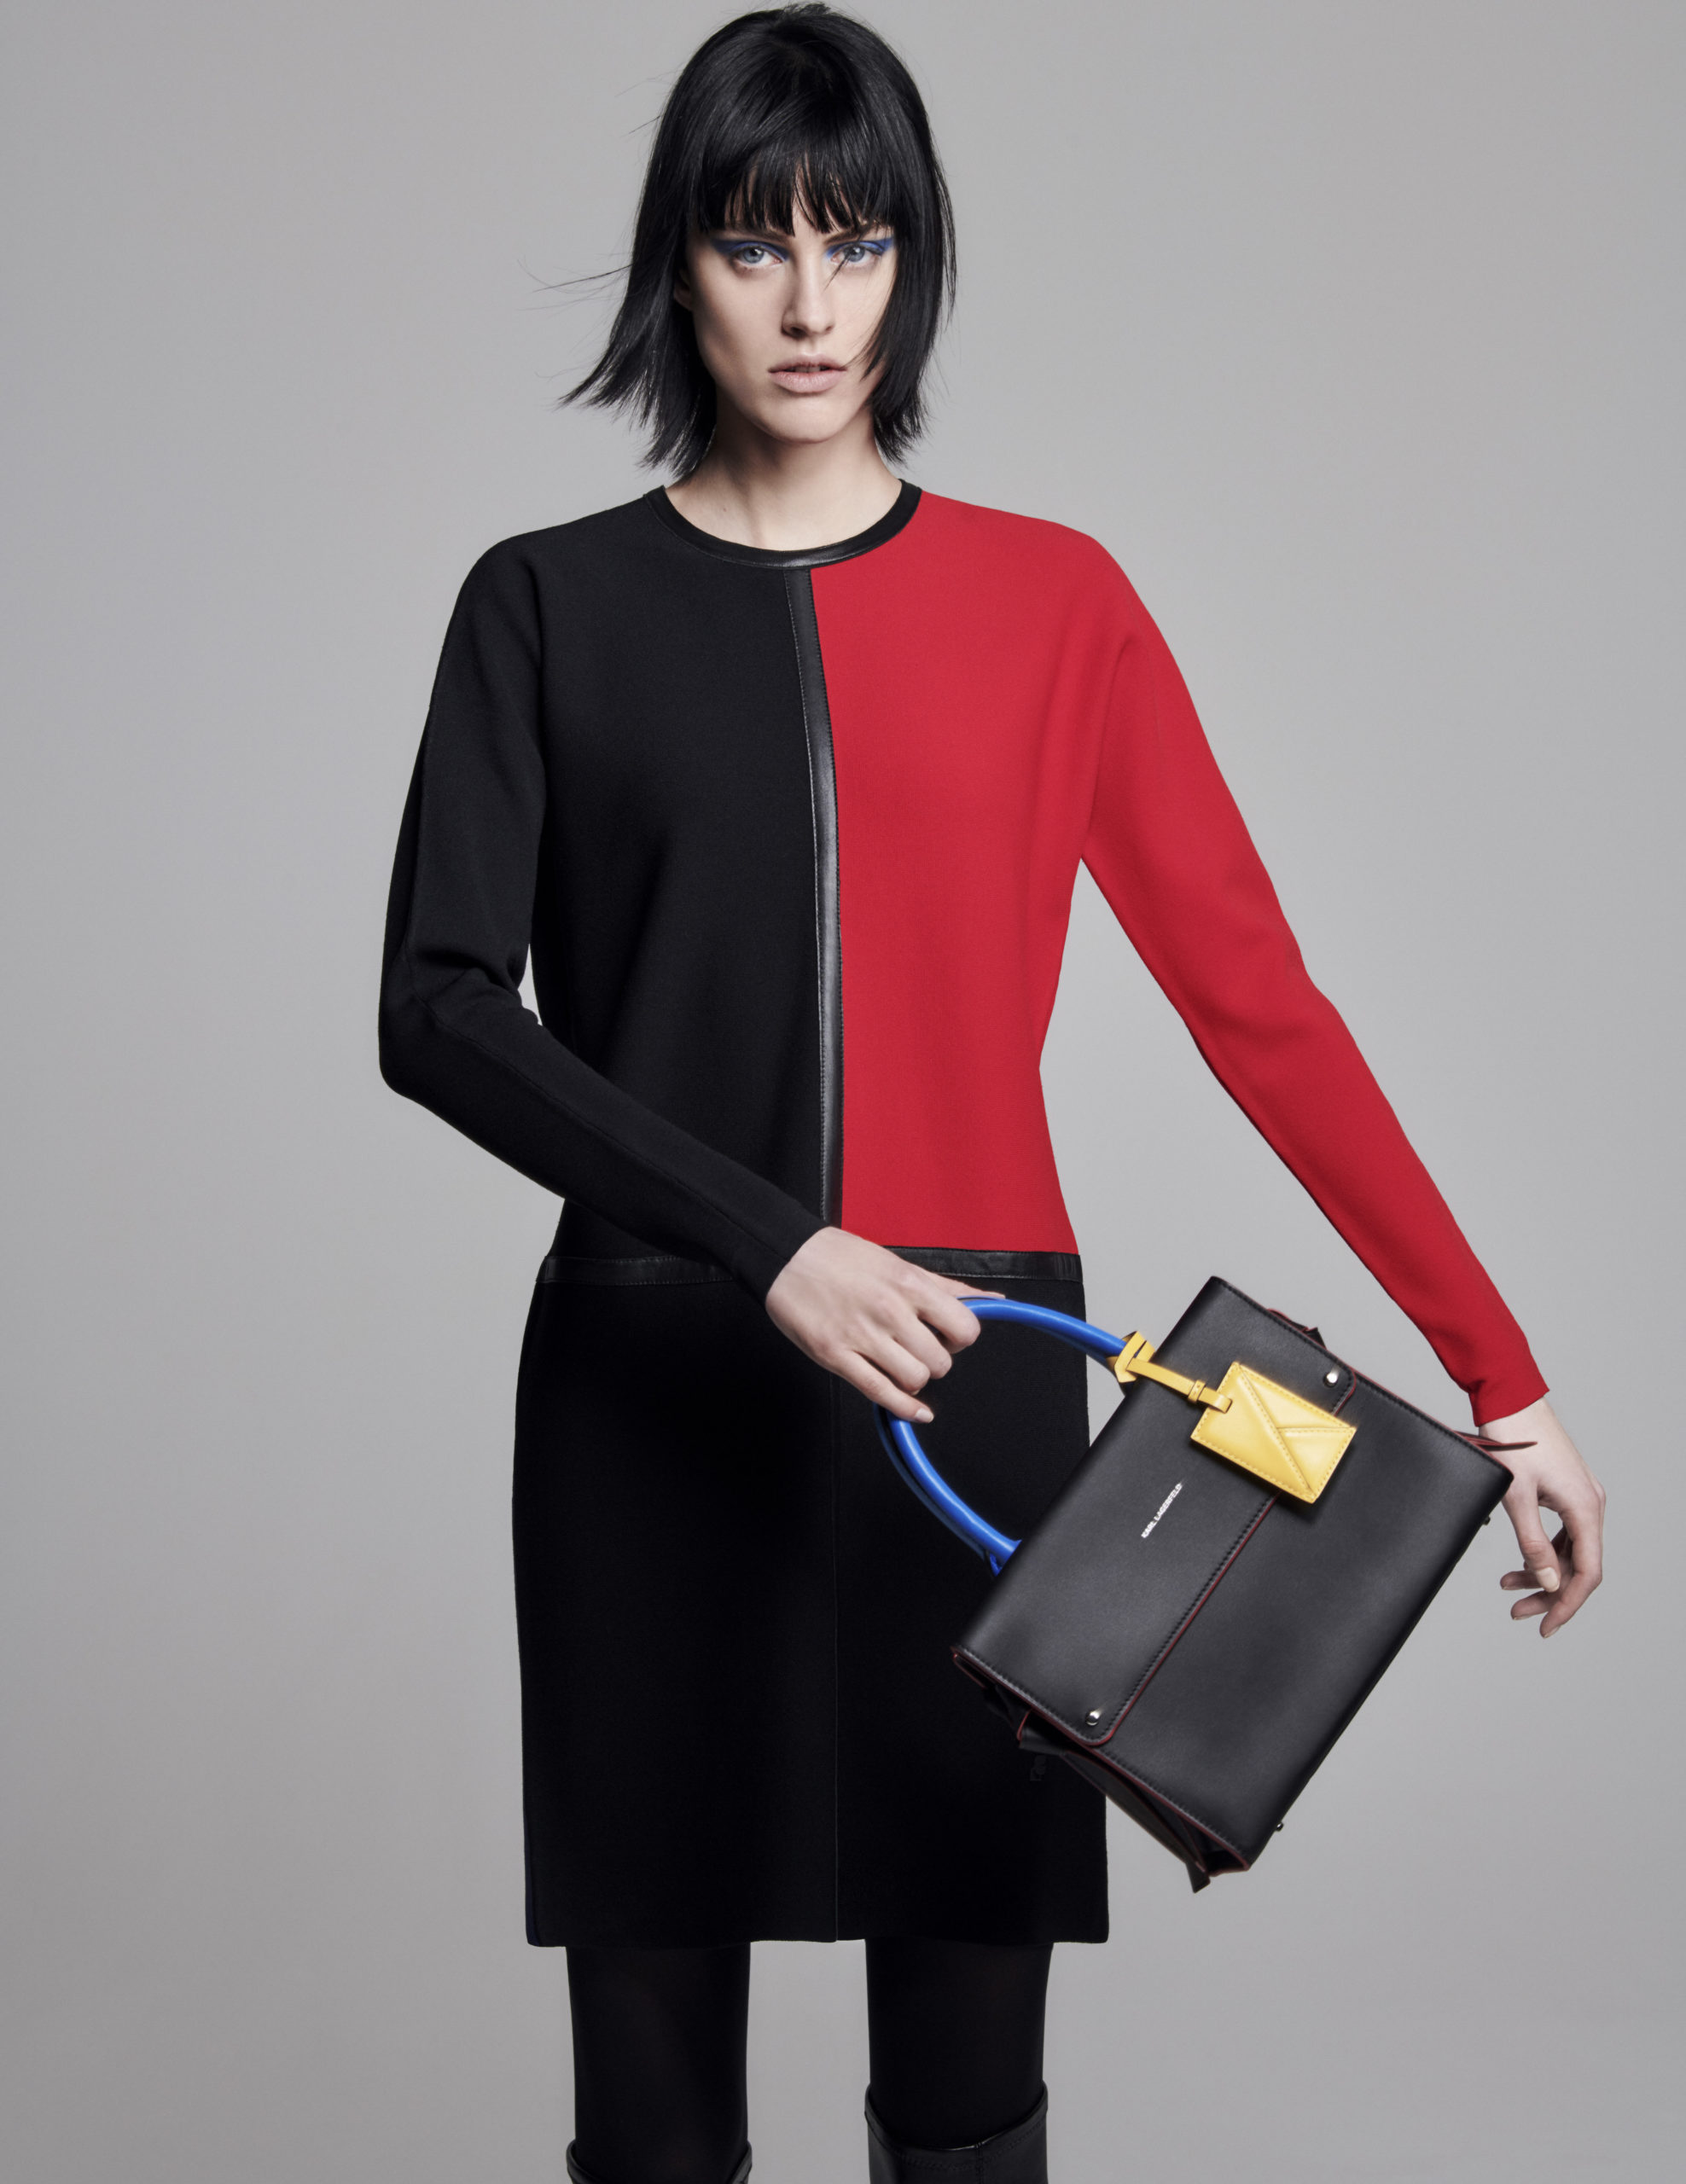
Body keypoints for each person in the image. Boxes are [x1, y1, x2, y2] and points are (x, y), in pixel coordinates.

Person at [378, 9, 1605, 2180]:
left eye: (855, 243)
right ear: (679, 268)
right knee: (650, 2113)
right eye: (755, 243)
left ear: (912, 264)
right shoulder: (545, 606)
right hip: (652, 1394)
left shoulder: (1058, 603)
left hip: (975, 1393)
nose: (811, 301)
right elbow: (441, 1008)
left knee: (968, 2101)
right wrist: (774, 1242)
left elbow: (1261, 1007)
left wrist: (1497, 1375)